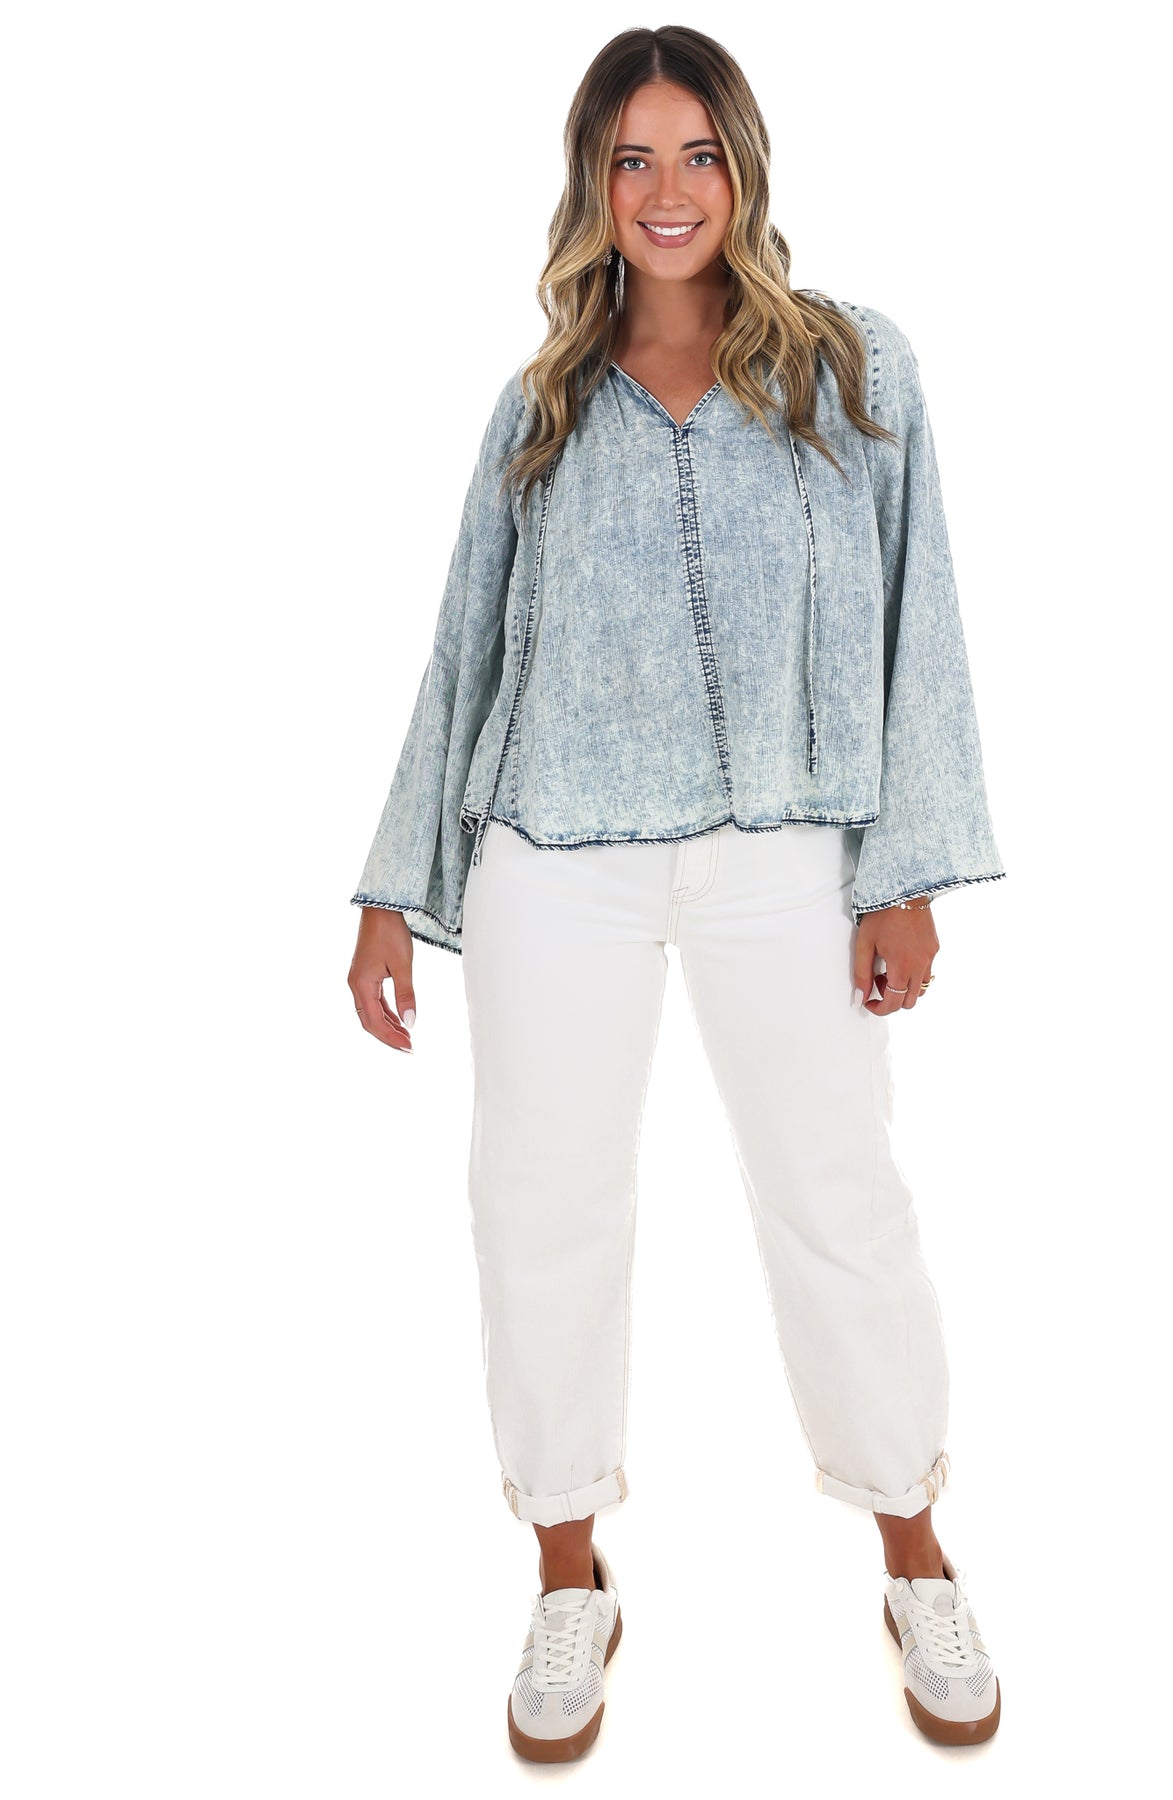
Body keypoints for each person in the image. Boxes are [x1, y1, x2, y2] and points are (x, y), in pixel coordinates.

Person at [347, 24, 1005, 1762]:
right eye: (629, 159)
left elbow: (917, 620)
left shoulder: (853, 368)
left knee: (837, 1195)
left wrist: (903, 869)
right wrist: (394, 887)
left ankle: (914, 1548)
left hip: (787, 844)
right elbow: (465, 648)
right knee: (538, 1205)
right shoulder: (541, 406)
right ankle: (568, 1577)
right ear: (591, 183)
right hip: (553, 856)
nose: (664, 190)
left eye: (694, 153)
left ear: (743, 168)